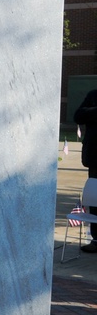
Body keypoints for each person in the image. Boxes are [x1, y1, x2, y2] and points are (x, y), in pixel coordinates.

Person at [74, 89, 97, 252]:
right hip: (95, 157)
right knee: (95, 202)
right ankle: (96, 240)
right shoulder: (93, 95)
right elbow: (78, 116)